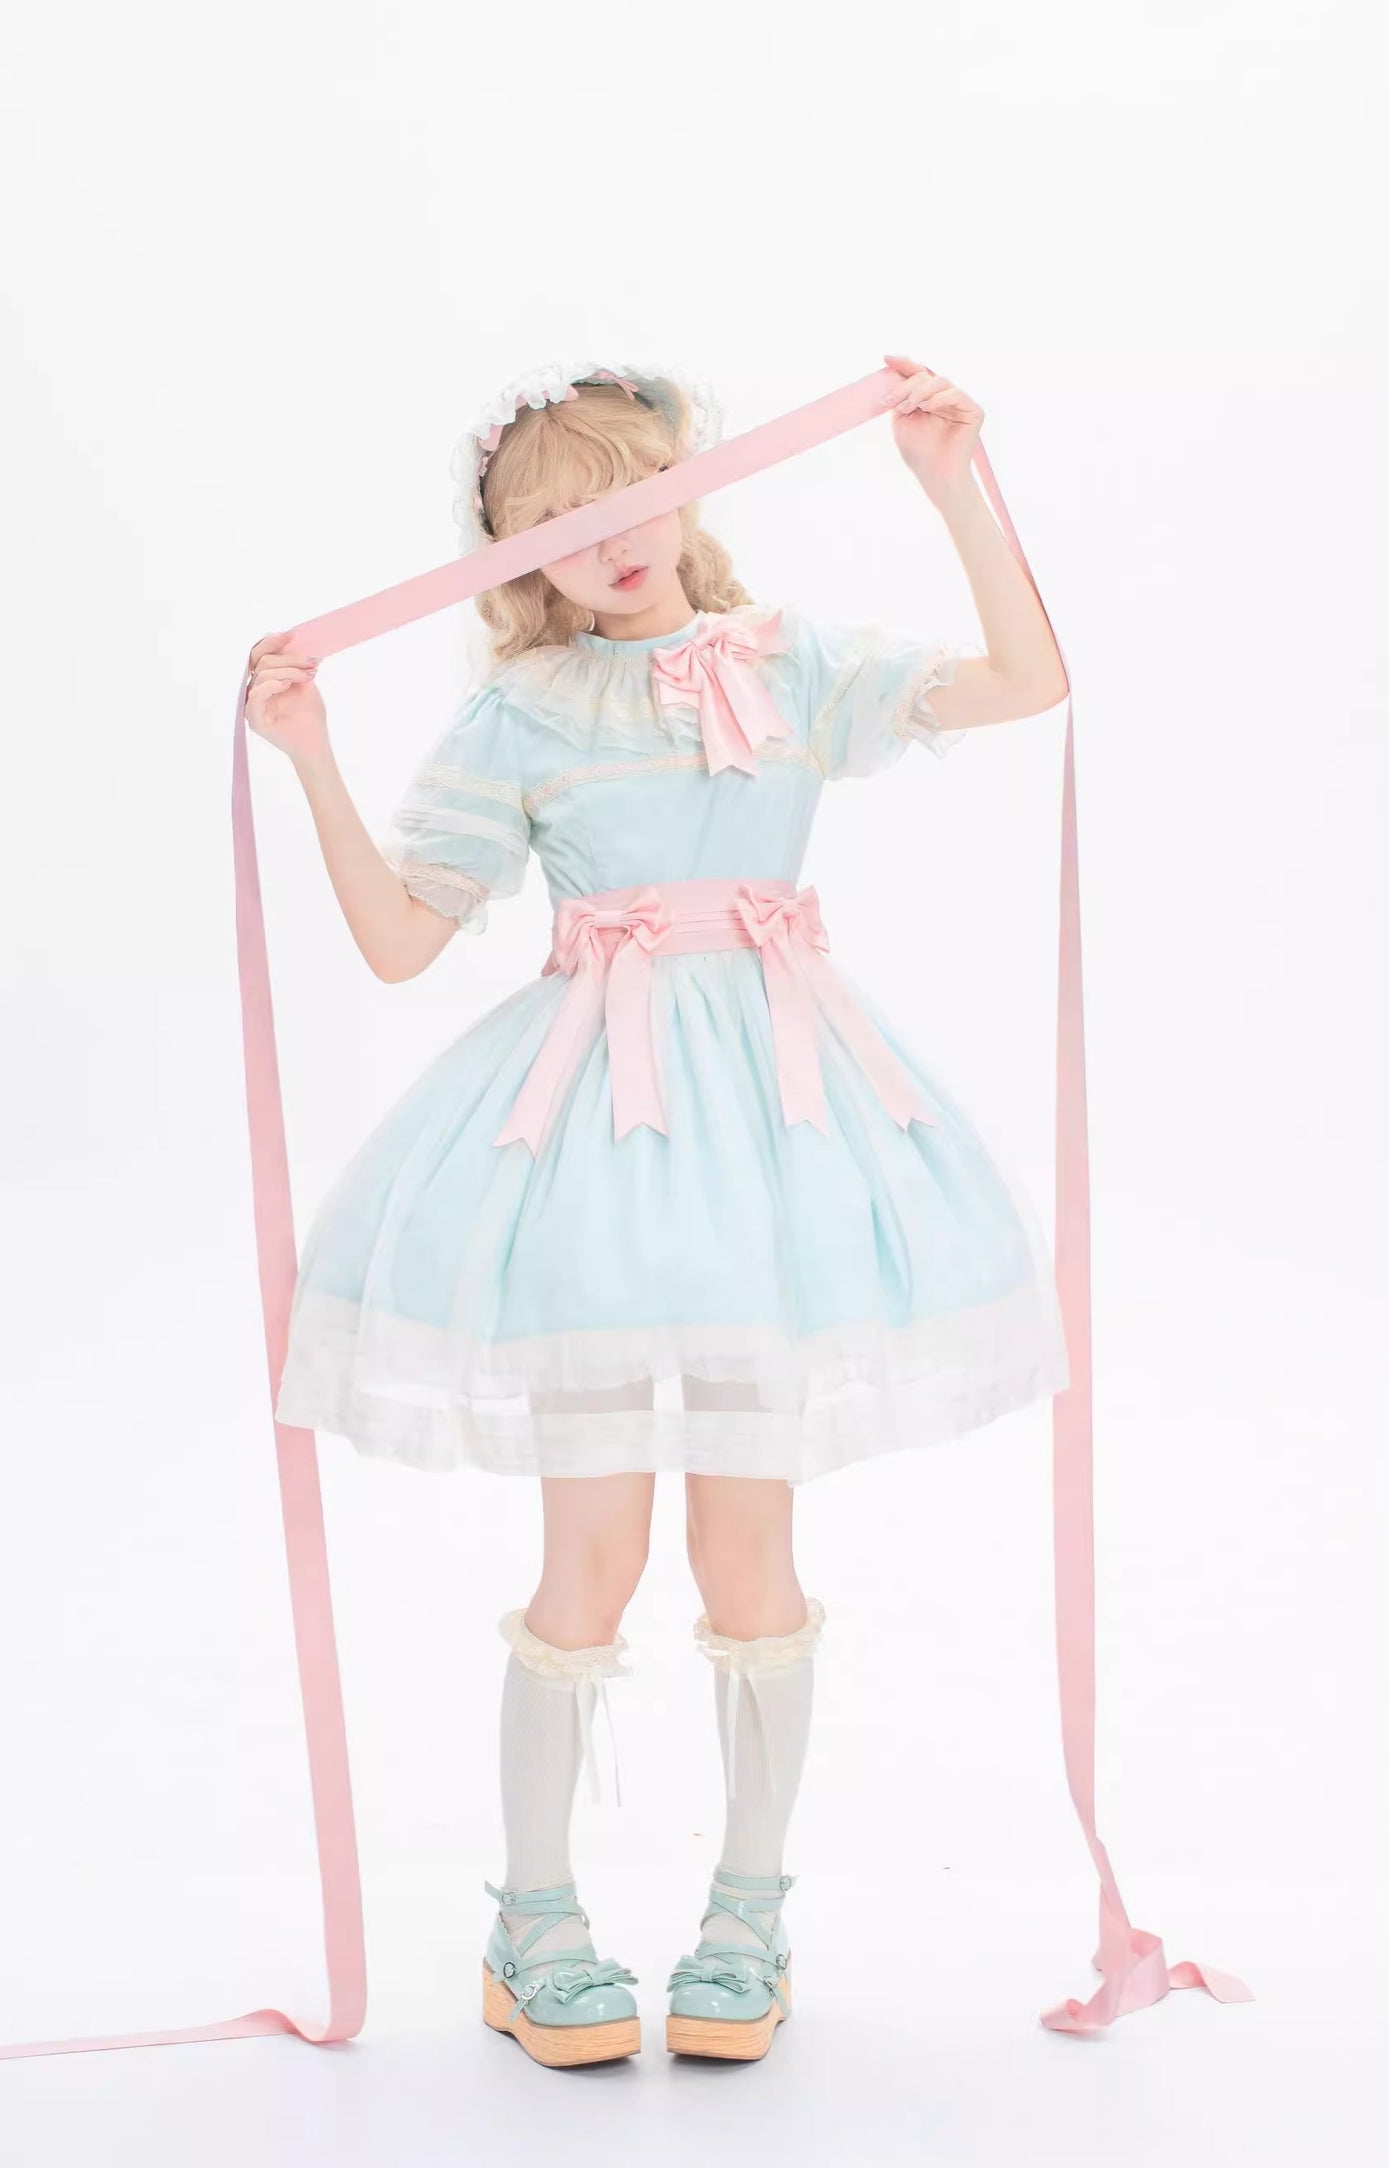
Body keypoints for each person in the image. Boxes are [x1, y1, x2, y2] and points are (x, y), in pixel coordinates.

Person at [244, 355, 1071, 2068]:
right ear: (513, 563)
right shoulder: (522, 712)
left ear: (689, 490)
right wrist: (310, 757)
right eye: (551, 522)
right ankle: (532, 1921)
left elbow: (1024, 679)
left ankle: (745, 1920)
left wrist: (946, 483)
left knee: (750, 1557)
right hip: (596, 1153)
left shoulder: (789, 661)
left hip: (778, 1134)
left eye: (627, 492)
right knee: (592, 1559)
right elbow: (400, 941)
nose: (603, 537)